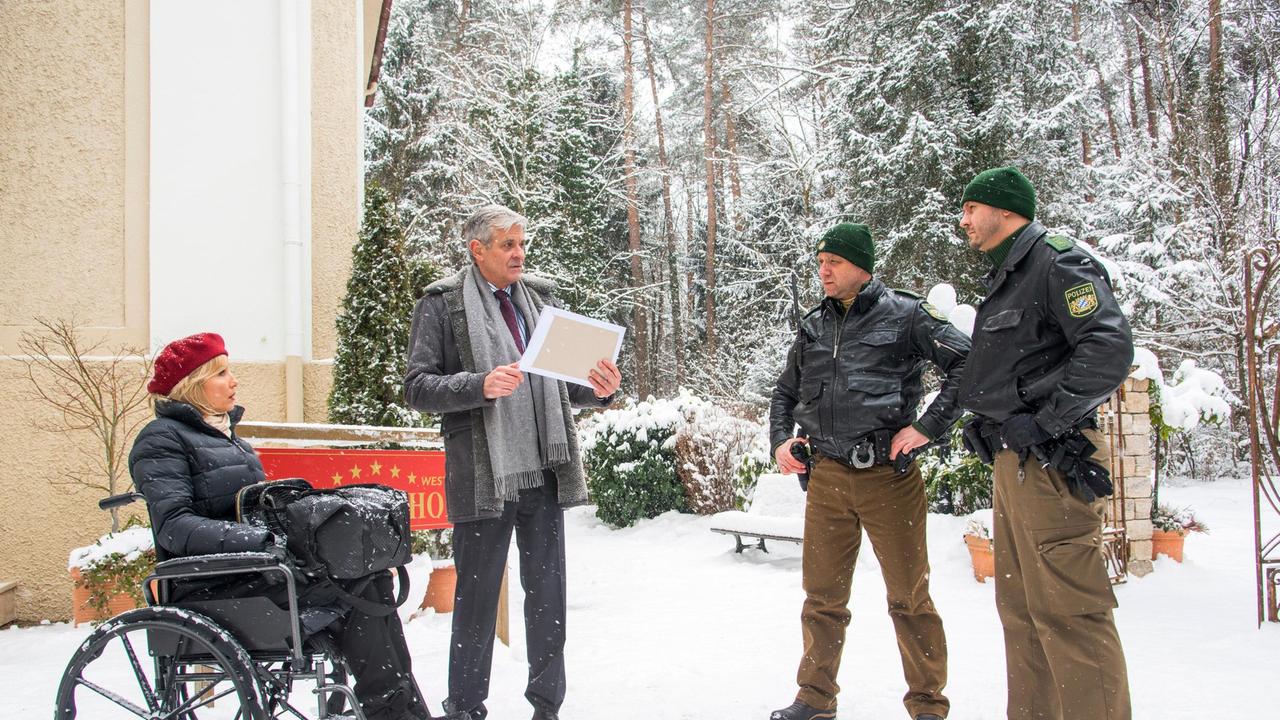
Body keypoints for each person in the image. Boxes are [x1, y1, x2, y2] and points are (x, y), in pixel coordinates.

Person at [129, 332, 433, 720]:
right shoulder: (161, 439)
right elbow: (174, 526)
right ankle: (388, 710)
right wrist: (255, 539)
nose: (233, 380)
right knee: (357, 589)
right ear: (192, 385)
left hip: (257, 567)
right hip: (214, 579)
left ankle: (402, 706)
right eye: (221, 373)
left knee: (371, 579)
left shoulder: (231, 440)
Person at [403, 205, 622, 720]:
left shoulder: (540, 302)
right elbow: (417, 386)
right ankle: (464, 708)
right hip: (484, 473)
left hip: (544, 467)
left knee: (547, 595)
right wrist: (476, 385)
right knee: (476, 601)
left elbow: (558, 384)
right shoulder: (441, 304)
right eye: (506, 244)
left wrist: (599, 389)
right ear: (477, 250)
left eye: (521, 243)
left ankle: (547, 706)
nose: (518, 253)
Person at [767, 223, 970, 720]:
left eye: (833, 261)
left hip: (889, 478)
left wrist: (925, 429)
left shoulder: (906, 315)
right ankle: (815, 699)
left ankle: (927, 705)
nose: (824, 270)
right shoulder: (813, 325)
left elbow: (968, 365)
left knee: (909, 597)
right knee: (822, 599)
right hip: (827, 479)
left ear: (862, 265)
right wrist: (781, 441)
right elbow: (783, 394)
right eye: (819, 262)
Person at [956, 166, 1133, 720]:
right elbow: (1022, 366)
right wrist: (986, 419)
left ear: (1004, 211)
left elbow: (1107, 349)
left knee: (1069, 612)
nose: (963, 222)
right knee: (1023, 610)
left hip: (1055, 463)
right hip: (1017, 464)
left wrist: (1047, 420)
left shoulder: (1057, 263)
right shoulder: (1008, 277)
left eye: (970, 209)